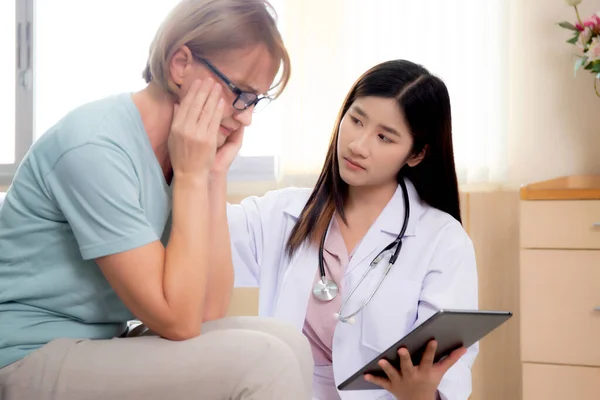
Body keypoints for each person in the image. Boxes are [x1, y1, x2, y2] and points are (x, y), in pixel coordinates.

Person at [0, 0, 314, 399]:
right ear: (180, 64)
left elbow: (208, 311)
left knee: (287, 342)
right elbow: (179, 323)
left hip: (101, 343)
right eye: (240, 93)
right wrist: (190, 176)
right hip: (24, 356)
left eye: (255, 101)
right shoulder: (93, 146)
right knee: (264, 360)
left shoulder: (185, 155)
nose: (246, 116)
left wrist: (213, 174)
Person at [227, 59, 479, 400]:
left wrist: (420, 395)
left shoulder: (443, 241)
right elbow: (200, 233)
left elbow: (448, 375)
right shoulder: (283, 213)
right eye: (356, 120)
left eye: (384, 137)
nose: (358, 145)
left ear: (417, 154)